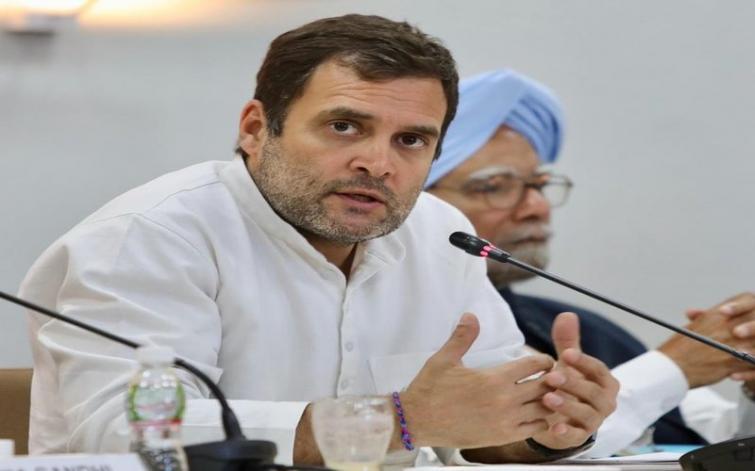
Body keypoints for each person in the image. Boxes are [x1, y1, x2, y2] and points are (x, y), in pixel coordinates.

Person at [20, 15, 619, 466]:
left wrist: (547, 426)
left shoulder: (441, 234)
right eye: (344, 126)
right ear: (256, 128)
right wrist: (394, 423)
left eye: (411, 140)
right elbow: (131, 437)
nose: (377, 163)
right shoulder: (149, 237)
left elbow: (478, 427)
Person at [425, 68, 755, 457]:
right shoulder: (414, 331)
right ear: (420, 202)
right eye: (495, 187)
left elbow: (708, 432)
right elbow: (506, 445)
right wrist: (676, 366)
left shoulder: (575, 326)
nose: (537, 207)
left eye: (539, 185)